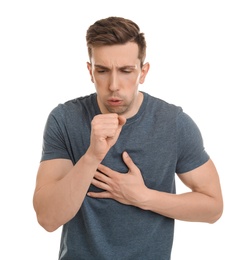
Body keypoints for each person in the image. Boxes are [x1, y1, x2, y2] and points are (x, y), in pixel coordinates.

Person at [33, 16, 223, 260]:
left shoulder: (173, 123)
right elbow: (48, 219)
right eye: (103, 71)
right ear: (90, 71)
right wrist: (92, 156)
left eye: (126, 71)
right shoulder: (65, 119)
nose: (114, 85)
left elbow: (213, 208)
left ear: (143, 72)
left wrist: (143, 197)